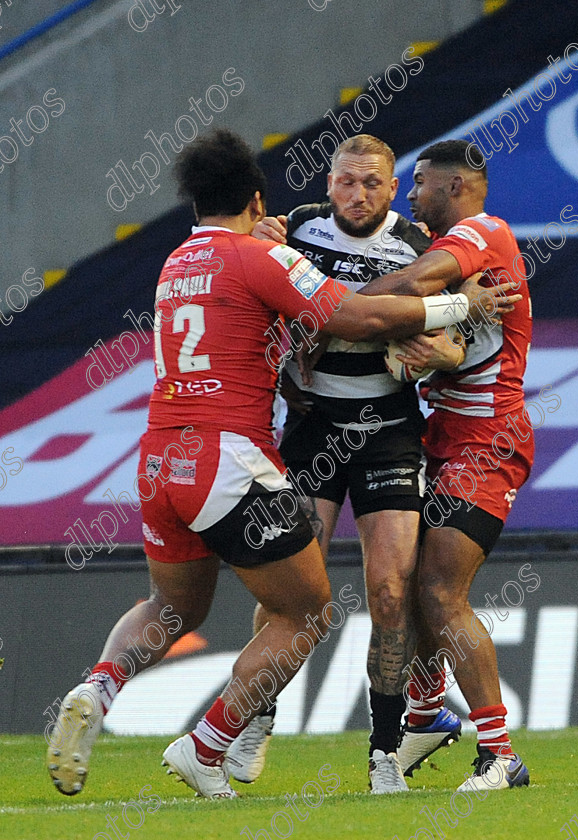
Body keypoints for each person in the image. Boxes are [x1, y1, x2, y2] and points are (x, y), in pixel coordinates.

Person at [46, 130, 489, 800]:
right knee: (308, 612)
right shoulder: (261, 254)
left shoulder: (175, 261)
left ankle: (98, 686)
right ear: (258, 199)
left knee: (172, 606)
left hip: (159, 458)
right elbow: (356, 316)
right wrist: (460, 304)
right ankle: (210, 742)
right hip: (228, 461)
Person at [226, 134, 464, 795]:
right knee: (289, 590)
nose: (355, 195)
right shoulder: (294, 229)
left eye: (370, 184)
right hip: (312, 428)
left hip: (387, 432)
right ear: (326, 183)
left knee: (391, 593)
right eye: (345, 182)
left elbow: (454, 342)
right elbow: (255, 304)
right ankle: (257, 716)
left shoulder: (417, 249)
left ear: (392, 190)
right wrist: (280, 366)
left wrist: (432, 352)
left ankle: (383, 753)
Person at [359, 139, 533, 791]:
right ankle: (427, 717)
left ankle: (499, 756)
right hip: (445, 437)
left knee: (438, 590)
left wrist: (350, 314)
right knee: (409, 587)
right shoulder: (457, 253)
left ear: (454, 185)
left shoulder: (481, 232)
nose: (408, 194)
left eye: (419, 182)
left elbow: (409, 289)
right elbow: (451, 340)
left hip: (487, 439)